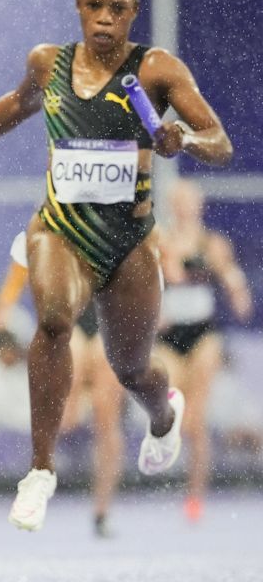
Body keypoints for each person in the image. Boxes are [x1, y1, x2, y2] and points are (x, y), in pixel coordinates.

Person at [0, 0, 234, 532]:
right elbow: (12, 108)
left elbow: (221, 142)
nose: (105, 20)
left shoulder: (157, 69)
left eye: (117, 9)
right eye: (94, 7)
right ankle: (40, 471)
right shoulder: (47, 64)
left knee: (131, 368)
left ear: (133, 12)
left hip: (128, 242)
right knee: (54, 318)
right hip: (60, 227)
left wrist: (182, 139)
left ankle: (164, 415)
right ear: (78, 8)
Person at [0, 231, 125, 537]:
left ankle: (102, 511)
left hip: (107, 317)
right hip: (70, 315)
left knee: (107, 418)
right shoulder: (53, 221)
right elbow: (25, 254)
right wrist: (6, 302)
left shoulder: (116, 214)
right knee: (66, 415)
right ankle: (34, 482)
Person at [155, 178, 253, 522]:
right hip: (170, 337)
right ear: (171, 206)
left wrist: (239, 294)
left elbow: (230, 274)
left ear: (198, 207)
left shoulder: (211, 243)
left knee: (197, 423)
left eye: (189, 202)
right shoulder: (160, 241)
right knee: (175, 412)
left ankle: (195, 495)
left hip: (202, 335)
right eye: (178, 202)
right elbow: (147, 283)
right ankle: (165, 435)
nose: (184, 208)